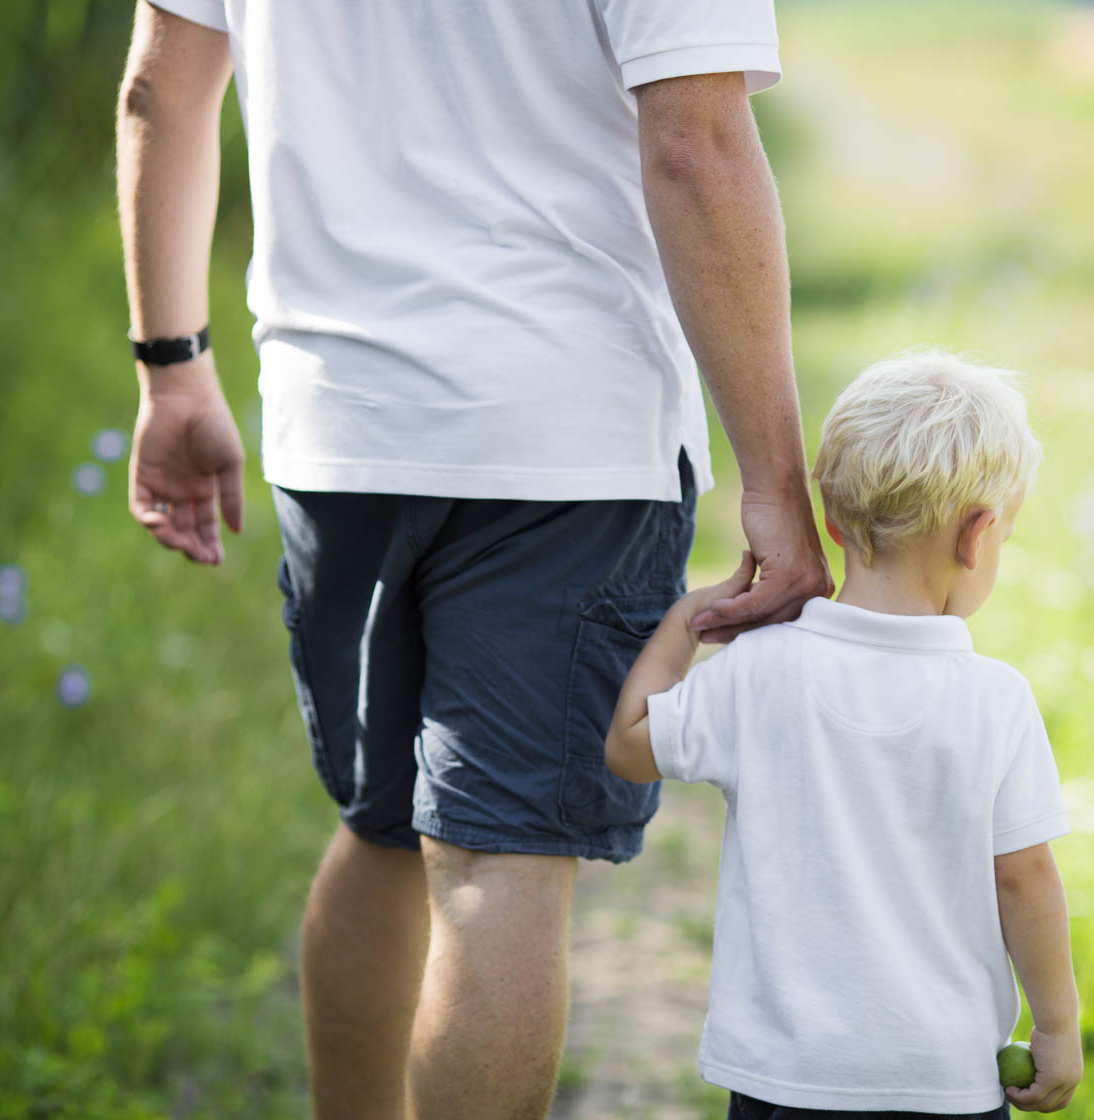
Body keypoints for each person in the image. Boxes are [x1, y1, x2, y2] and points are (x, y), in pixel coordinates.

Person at [112, 0, 833, 1116]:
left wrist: (172, 369)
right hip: (566, 435)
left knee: (381, 830)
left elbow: (160, 86)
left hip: (342, 423)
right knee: (500, 860)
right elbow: (695, 144)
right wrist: (775, 485)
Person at [607, 350, 1084, 1117]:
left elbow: (629, 745)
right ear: (978, 535)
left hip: (784, 1073)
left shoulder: (761, 669)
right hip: (944, 1080)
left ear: (830, 519)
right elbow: (1023, 877)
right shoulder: (996, 700)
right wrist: (1056, 1025)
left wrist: (689, 620)